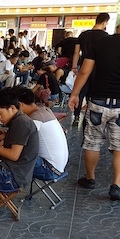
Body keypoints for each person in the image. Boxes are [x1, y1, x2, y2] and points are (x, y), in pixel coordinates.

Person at [68, 31, 120, 201]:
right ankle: (116, 185)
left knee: (93, 142)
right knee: (119, 146)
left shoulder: (102, 43)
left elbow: (84, 72)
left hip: (98, 100)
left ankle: (90, 178)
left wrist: (74, 94)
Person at [12, 86, 68, 181]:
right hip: (58, 166)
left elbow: (18, 145)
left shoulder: (34, 119)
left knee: (11, 157)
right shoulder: (44, 110)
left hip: (49, 169)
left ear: (20, 105)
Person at [70, 13, 109, 126]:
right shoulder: (105, 36)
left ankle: (76, 116)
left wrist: (74, 66)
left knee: (80, 92)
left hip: (83, 67)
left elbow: (76, 52)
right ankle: (89, 118)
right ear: (105, 22)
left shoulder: (83, 35)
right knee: (93, 94)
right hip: (98, 69)